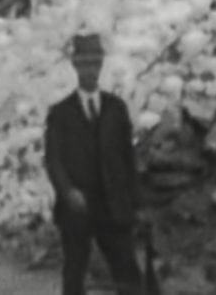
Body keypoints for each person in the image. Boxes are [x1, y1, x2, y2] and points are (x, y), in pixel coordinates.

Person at [43, 30, 144, 294]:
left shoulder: (116, 109)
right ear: (75, 66)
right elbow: (53, 160)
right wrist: (68, 192)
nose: (90, 70)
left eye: (95, 63)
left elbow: (127, 158)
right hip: (78, 208)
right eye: (84, 63)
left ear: (101, 65)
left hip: (113, 204)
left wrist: (135, 203)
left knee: (128, 273)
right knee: (75, 272)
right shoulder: (60, 114)